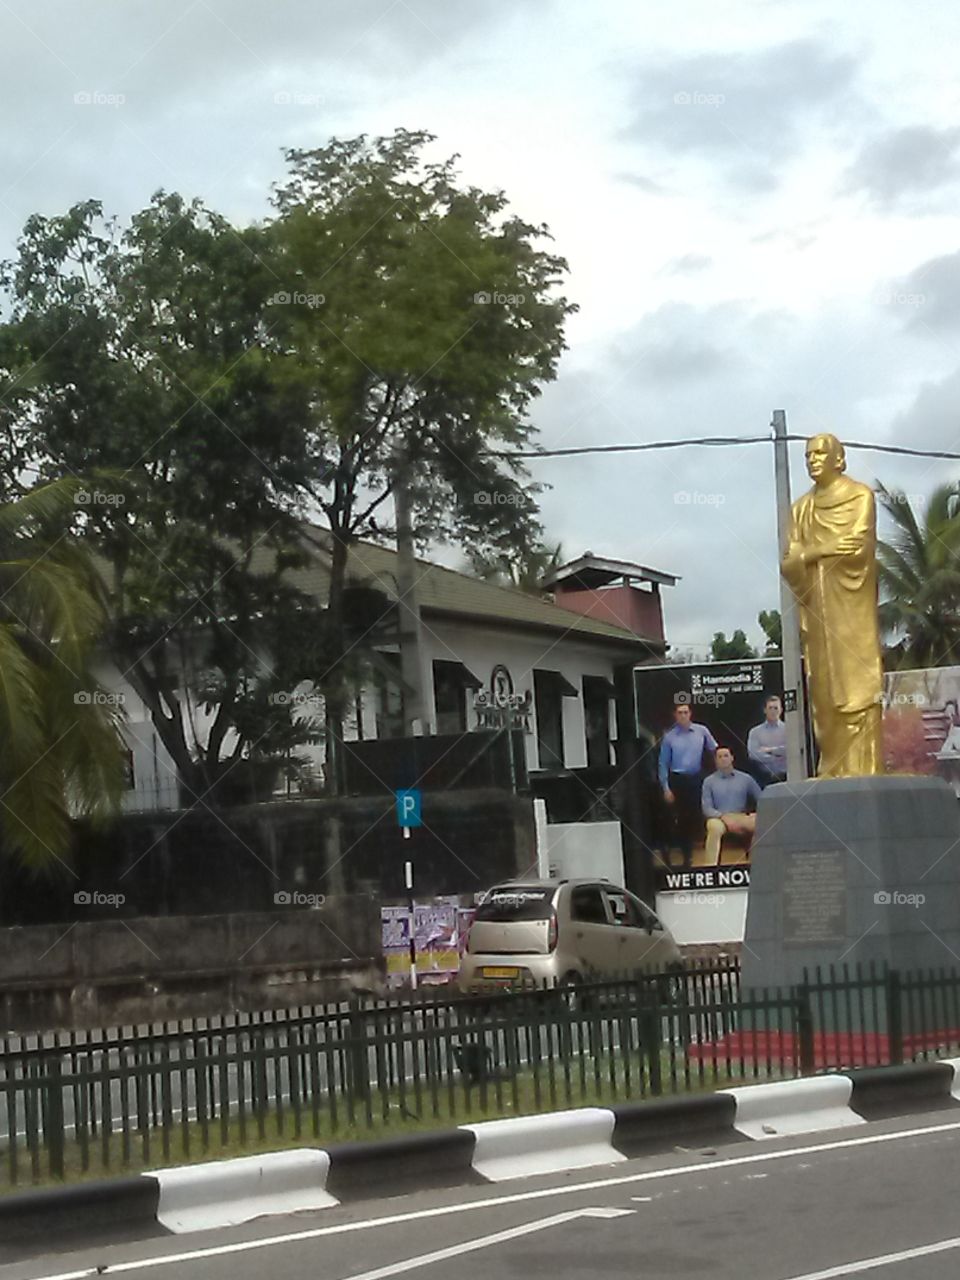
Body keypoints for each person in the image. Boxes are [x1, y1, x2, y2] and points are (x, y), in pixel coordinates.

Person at [780, 433, 884, 778]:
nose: (813, 460)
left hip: (850, 609)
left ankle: (864, 768)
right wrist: (805, 558)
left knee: (855, 687)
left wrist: (810, 553)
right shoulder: (800, 509)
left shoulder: (859, 496)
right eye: (808, 455)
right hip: (816, 612)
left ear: (839, 459)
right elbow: (789, 562)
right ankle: (834, 767)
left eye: (821, 453)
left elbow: (858, 546)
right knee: (822, 691)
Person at [658, 701, 717, 867]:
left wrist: (715, 774)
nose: (683, 715)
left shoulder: (701, 731)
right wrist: (666, 788)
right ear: (675, 716)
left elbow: (714, 750)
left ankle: (707, 856)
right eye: (680, 713)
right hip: (678, 780)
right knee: (683, 819)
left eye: (685, 712)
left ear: (690, 714)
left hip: (697, 778)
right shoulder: (669, 737)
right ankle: (687, 856)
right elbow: (663, 764)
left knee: (700, 814)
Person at [701, 746, 762, 865]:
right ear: (715, 760)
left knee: (761, 824)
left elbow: (762, 798)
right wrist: (724, 817)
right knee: (714, 828)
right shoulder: (709, 781)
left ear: (732, 758)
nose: (723, 759)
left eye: (726, 756)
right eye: (719, 757)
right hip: (719, 818)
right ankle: (711, 867)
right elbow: (707, 808)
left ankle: (756, 864)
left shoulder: (746, 778)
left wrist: (757, 813)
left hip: (741, 816)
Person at [747, 694, 787, 785]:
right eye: (770, 708)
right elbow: (753, 754)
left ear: (781, 710)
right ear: (765, 710)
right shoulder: (755, 732)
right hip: (764, 778)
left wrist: (770, 750)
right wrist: (777, 757)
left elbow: (790, 750)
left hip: (787, 777)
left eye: (776, 708)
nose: (773, 711)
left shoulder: (789, 729)